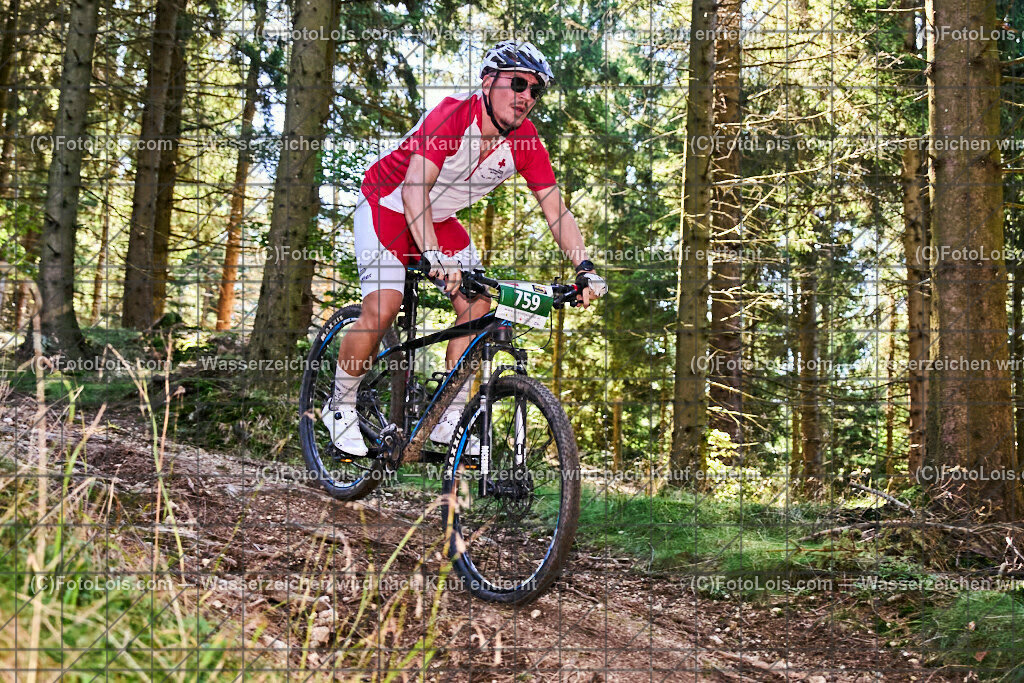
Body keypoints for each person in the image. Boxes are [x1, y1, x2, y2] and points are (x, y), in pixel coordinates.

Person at [324, 40, 608, 455]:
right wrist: (434, 254)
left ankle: (447, 419)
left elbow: (556, 210)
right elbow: (414, 191)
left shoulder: (525, 142)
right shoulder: (454, 115)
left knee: (478, 308)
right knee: (384, 304)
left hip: (438, 220)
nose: (526, 96)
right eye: (517, 83)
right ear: (488, 80)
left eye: (535, 90)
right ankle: (340, 403)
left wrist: (584, 266)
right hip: (387, 201)